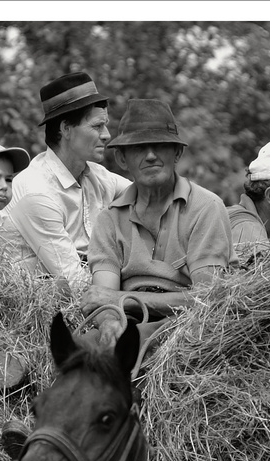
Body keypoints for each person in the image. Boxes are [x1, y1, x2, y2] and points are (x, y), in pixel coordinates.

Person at [80, 99, 232, 347]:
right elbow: (102, 298)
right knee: (81, 351)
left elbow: (208, 299)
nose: (150, 156)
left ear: (177, 153)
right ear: (121, 158)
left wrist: (122, 298)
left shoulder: (206, 207)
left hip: (188, 325)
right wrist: (108, 322)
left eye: (160, 146)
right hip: (127, 319)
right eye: (139, 148)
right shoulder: (109, 219)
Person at [0, 71, 128, 293]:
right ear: (66, 129)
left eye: (105, 125)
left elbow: (150, 195)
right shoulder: (37, 191)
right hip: (34, 309)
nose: (106, 135)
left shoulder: (98, 176)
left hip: (93, 293)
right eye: (97, 126)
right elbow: (74, 283)